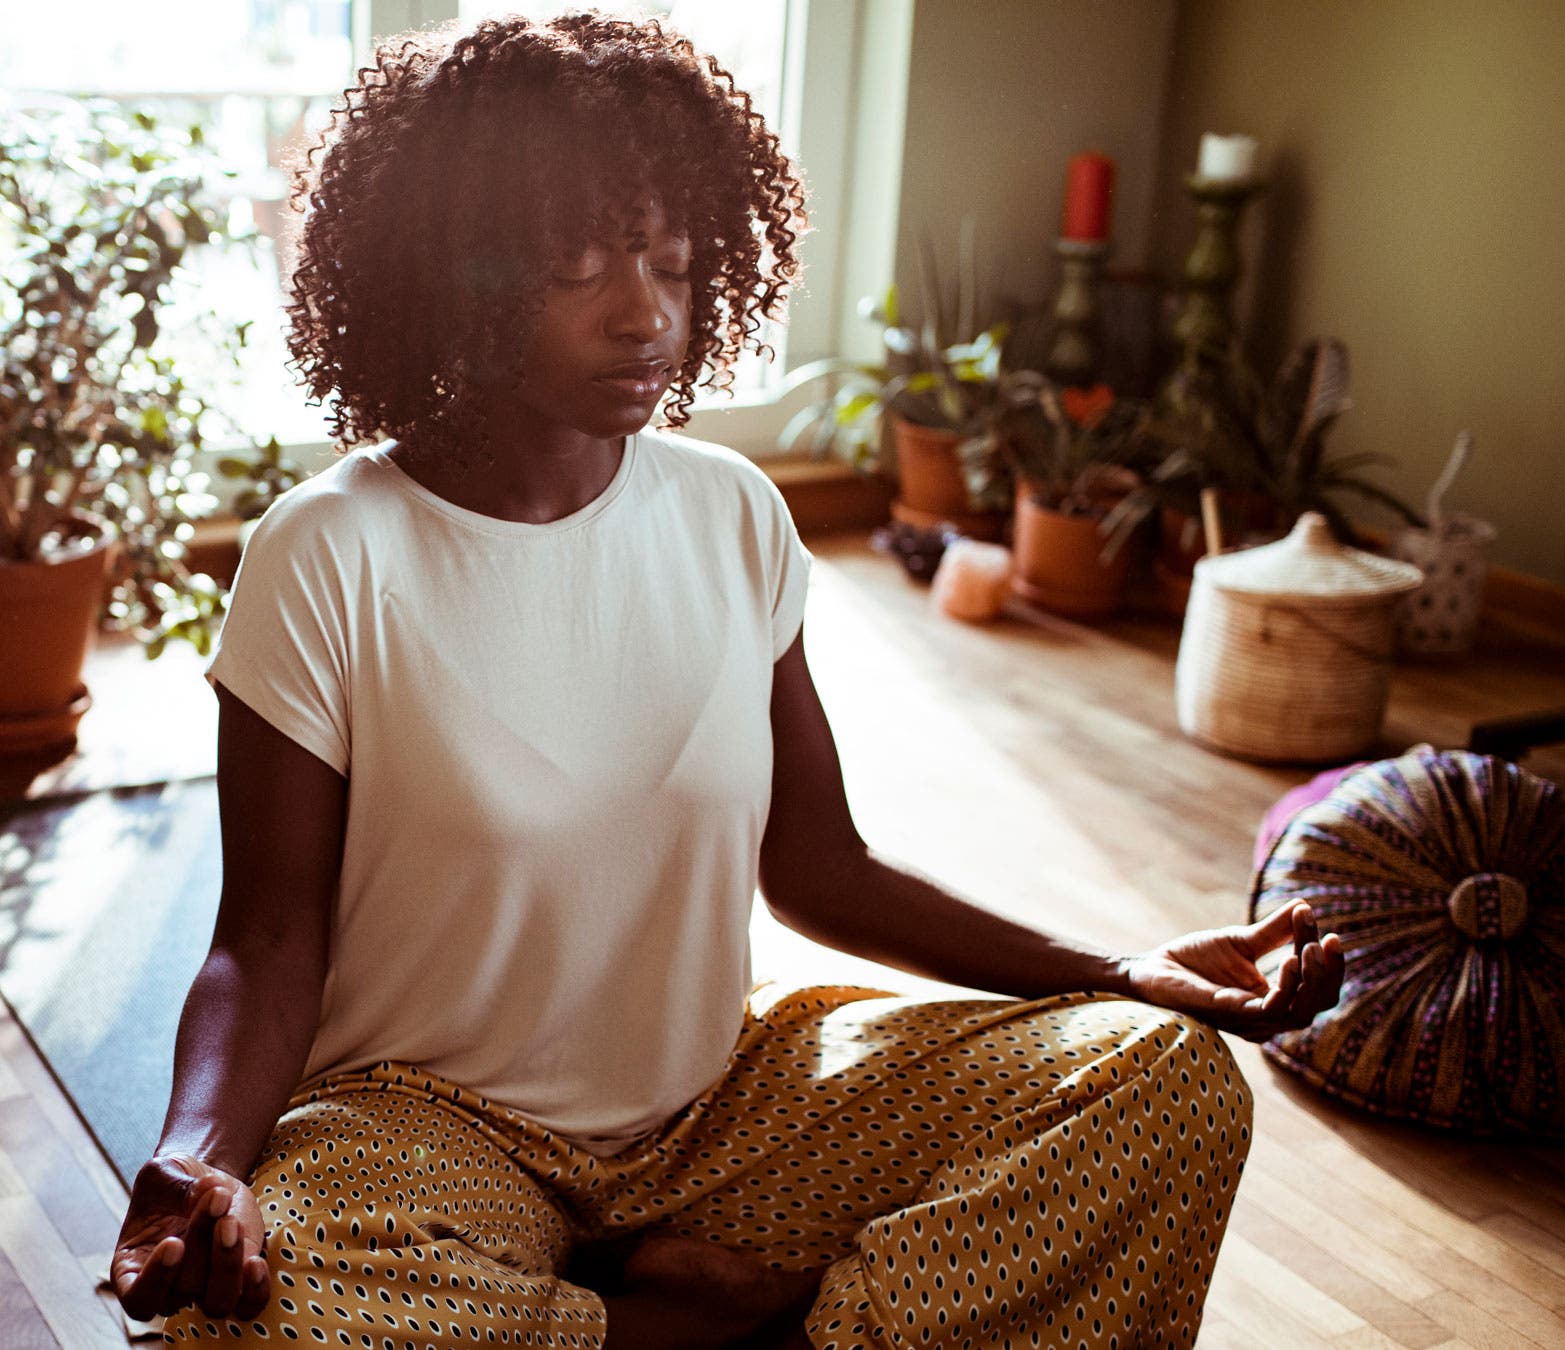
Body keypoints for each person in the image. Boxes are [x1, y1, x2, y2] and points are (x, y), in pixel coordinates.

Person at [109, 13, 1345, 1348]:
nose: (645, 310)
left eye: (675, 260)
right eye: (576, 268)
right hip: (431, 1128)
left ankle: (697, 1319)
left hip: (719, 1109)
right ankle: (751, 1328)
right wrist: (206, 1160)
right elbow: (267, 938)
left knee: (1162, 1082)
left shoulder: (735, 513)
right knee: (277, 1302)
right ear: (451, 278)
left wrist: (1126, 970)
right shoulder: (330, 547)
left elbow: (823, 868)